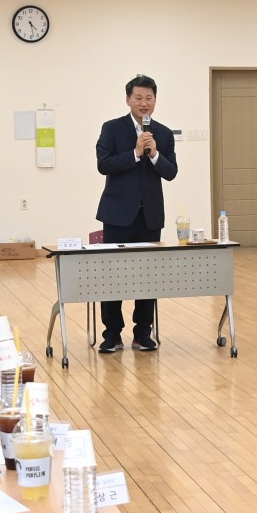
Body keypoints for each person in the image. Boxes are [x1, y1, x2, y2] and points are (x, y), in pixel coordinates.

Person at [94, 74, 179, 353]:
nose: (144, 103)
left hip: (150, 216)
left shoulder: (163, 134)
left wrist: (154, 155)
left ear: (155, 100)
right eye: (138, 98)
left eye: (149, 98)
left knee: (148, 275)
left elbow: (171, 172)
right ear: (128, 100)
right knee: (112, 275)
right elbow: (104, 165)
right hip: (117, 215)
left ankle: (143, 332)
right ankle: (112, 334)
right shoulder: (112, 128)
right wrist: (134, 152)